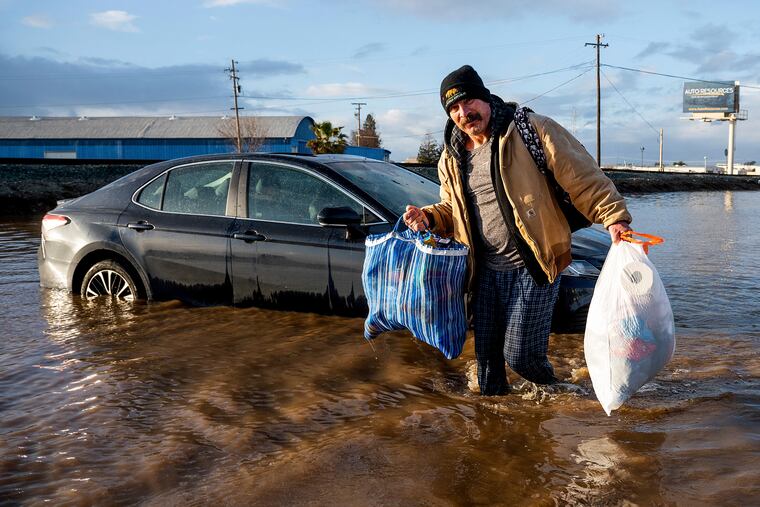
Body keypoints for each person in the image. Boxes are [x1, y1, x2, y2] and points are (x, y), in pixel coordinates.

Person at [403, 65, 632, 395]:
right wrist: (428, 217)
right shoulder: (450, 159)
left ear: (484, 98)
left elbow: (582, 177)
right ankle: (497, 434)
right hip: (483, 272)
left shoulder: (530, 130)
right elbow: (453, 212)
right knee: (487, 372)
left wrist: (614, 217)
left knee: (521, 355)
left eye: (468, 102)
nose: (463, 113)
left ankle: (559, 392)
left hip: (534, 264)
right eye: (453, 108)